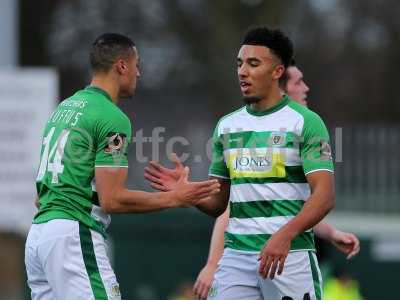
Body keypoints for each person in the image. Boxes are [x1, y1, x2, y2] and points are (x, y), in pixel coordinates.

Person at [25, 33, 220, 300]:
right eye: (137, 64)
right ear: (121, 66)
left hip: (38, 236)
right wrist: (174, 198)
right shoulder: (111, 116)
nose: (139, 73)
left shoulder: (64, 108)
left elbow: (40, 198)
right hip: (73, 235)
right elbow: (112, 199)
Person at [145, 26, 335, 299]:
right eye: (239, 63)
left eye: (253, 63)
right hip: (236, 257)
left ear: (277, 72)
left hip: (288, 256)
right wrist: (188, 193)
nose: (242, 71)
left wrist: (285, 235)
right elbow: (218, 203)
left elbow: (325, 196)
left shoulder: (305, 122)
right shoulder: (227, 126)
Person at [192, 60, 361, 300]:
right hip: (254, 257)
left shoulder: (301, 127)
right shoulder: (250, 133)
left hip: (288, 256)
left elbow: (287, 205)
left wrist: (329, 232)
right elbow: (231, 210)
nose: (305, 88)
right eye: (298, 82)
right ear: (280, 86)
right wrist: (212, 264)